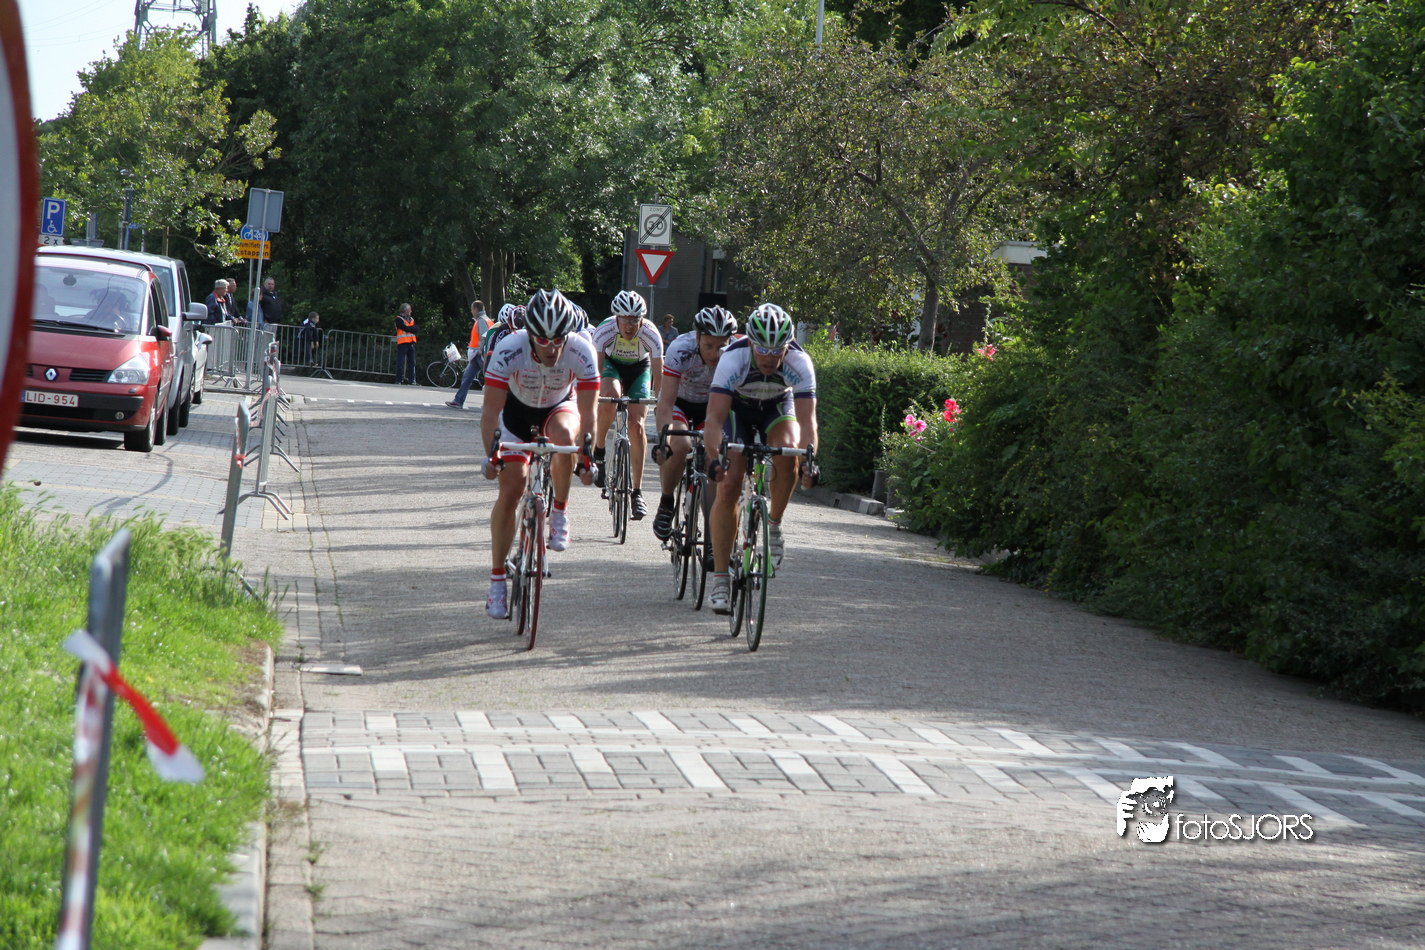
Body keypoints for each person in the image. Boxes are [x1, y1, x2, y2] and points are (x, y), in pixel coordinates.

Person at [480, 289, 599, 619]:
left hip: (559, 408)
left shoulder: (581, 350)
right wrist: (492, 456)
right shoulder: (509, 348)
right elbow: (490, 413)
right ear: (529, 333)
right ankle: (497, 581)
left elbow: (589, 413)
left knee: (564, 436)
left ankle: (559, 511)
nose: (551, 347)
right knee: (511, 490)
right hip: (516, 415)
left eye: (558, 339)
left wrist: (588, 458)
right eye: (542, 340)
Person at [703, 303, 820, 614]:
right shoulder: (733, 358)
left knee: (790, 452)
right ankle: (720, 579)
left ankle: (774, 524)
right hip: (736, 410)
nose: (769, 357)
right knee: (729, 483)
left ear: (788, 346)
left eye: (777, 350)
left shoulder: (799, 362)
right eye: (762, 349)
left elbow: (808, 423)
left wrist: (809, 462)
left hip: (776, 407)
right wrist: (715, 458)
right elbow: (713, 419)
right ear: (751, 343)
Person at [650, 305, 739, 541]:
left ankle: (712, 535)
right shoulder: (680, 348)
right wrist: (664, 440)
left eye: (721, 346)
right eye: (709, 345)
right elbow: (666, 403)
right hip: (680, 403)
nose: (715, 353)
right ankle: (666, 501)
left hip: (712, 408)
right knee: (680, 446)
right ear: (697, 337)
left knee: (713, 459)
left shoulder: (736, 352)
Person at [589, 290, 664, 519]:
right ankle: (600, 450)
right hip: (611, 365)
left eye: (634, 320)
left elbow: (659, 376)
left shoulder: (651, 333)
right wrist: (592, 399)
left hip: (640, 369)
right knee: (609, 396)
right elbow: (595, 373)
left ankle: (637, 492)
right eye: (624, 320)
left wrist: (660, 403)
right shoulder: (604, 331)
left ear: (641, 319)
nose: (629, 326)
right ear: (616, 318)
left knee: (637, 424)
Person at [446, 300, 492, 409]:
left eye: (472, 309)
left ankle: (492, 404)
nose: (471, 311)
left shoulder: (481, 321)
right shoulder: (487, 320)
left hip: (479, 354)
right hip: (478, 355)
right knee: (468, 377)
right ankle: (458, 401)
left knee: (489, 378)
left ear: (476, 309)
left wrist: (480, 351)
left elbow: (484, 337)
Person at [394, 302, 417, 384]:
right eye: (409, 310)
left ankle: (412, 380)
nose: (411, 311)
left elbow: (416, 328)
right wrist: (411, 329)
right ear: (405, 310)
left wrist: (409, 328)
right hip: (403, 342)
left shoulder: (411, 319)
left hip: (411, 342)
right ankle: (399, 379)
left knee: (412, 362)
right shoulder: (399, 319)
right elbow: (403, 327)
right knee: (401, 361)